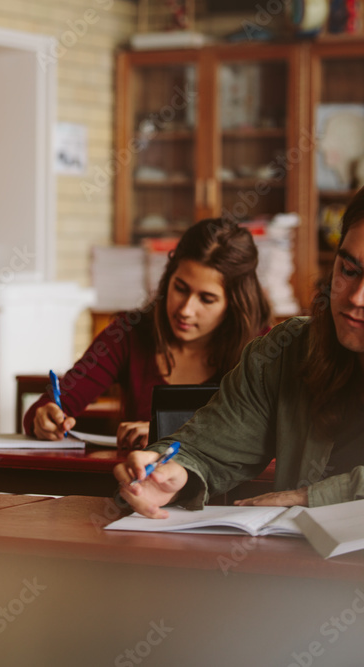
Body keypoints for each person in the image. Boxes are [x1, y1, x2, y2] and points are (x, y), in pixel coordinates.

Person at [115, 188, 364, 517]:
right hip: (293, 564)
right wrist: (170, 471)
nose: (357, 298)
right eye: (349, 271)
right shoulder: (285, 351)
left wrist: (310, 498)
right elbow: (210, 446)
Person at [25, 217, 271, 450]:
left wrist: (167, 431)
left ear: (234, 303)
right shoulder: (127, 334)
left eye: (206, 299)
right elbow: (48, 407)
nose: (186, 310)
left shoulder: (261, 348)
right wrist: (45, 417)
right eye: (180, 288)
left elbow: (267, 432)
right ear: (167, 279)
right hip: (136, 488)